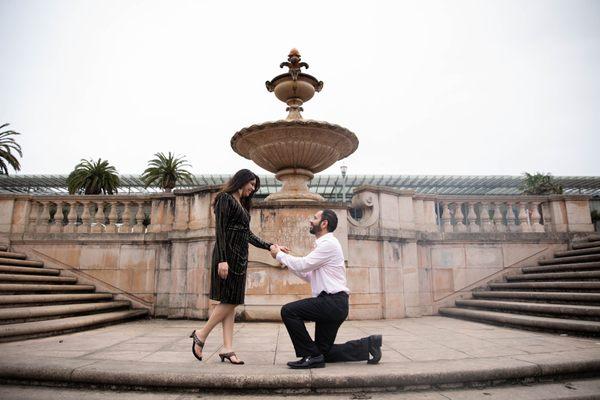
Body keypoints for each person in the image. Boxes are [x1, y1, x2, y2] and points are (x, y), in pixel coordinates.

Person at [190, 169, 283, 365]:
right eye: (251, 184)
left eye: (255, 186)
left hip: (239, 258)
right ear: (242, 180)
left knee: (230, 301)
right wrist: (223, 259)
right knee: (230, 301)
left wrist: (270, 246)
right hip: (228, 257)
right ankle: (201, 334)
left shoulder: (241, 204)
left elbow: (247, 235)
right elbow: (220, 231)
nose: (253, 188)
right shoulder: (225, 198)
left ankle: (227, 348)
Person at [270, 209, 382, 369]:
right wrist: (285, 262)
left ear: (324, 223)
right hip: (333, 303)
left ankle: (310, 355)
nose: (310, 220)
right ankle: (369, 345)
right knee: (324, 352)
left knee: (289, 311)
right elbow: (308, 275)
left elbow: (303, 264)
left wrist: (279, 255)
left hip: (333, 302)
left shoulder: (328, 244)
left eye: (314, 218)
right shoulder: (324, 245)